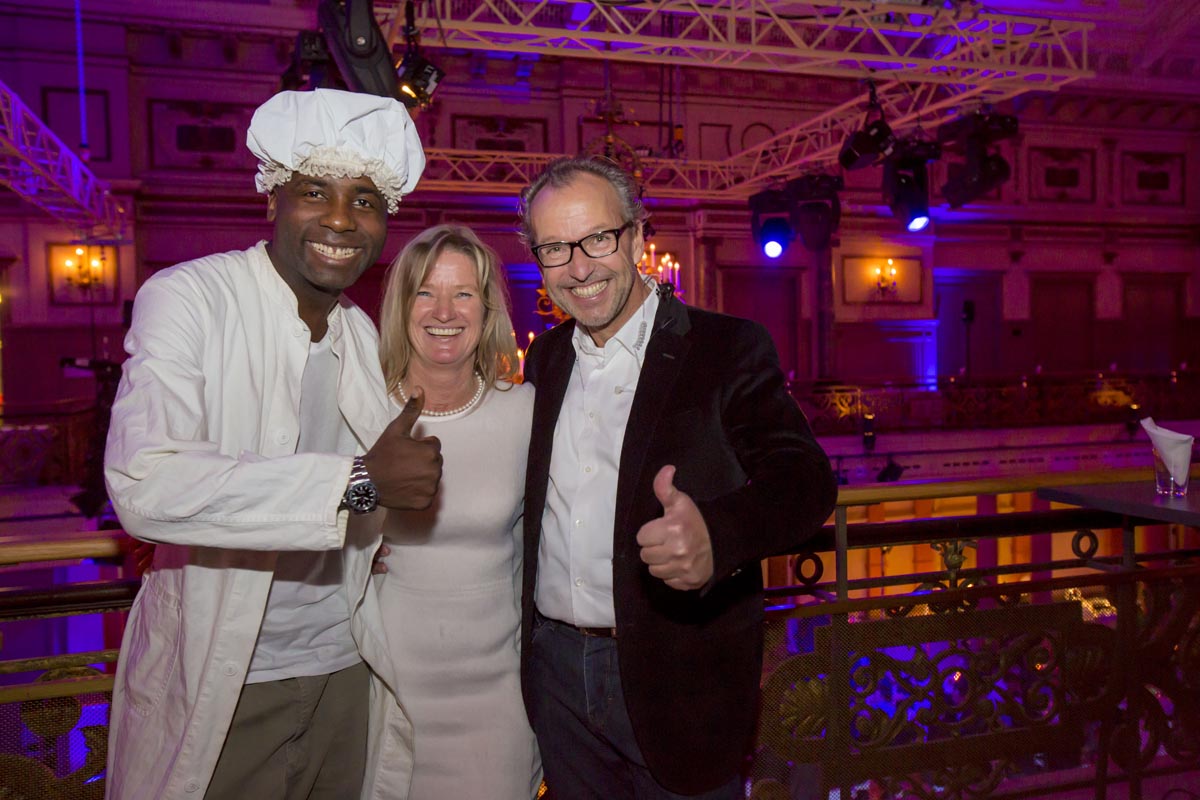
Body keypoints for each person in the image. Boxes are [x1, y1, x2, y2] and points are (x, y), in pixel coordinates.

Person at [103, 88, 441, 800]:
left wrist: (378, 518)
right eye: (315, 192)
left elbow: (374, 500)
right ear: (271, 200)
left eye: (366, 201)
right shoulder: (190, 298)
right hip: (226, 680)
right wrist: (359, 484)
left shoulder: (359, 333)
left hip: (345, 669)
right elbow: (146, 480)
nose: (341, 219)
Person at [516, 157, 838, 799]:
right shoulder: (545, 358)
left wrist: (718, 535)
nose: (579, 268)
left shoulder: (726, 348)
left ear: (637, 237)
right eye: (554, 249)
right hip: (556, 677)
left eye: (597, 239)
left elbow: (805, 481)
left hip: (678, 680)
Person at [364, 224, 540, 799]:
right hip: (382, 697)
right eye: (425, 292)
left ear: (487, 310)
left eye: (463, 293)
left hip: (497, 703)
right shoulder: (360, 411)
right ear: (401, 307)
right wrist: (351, 542)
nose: (444, 311)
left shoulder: (525, 411)